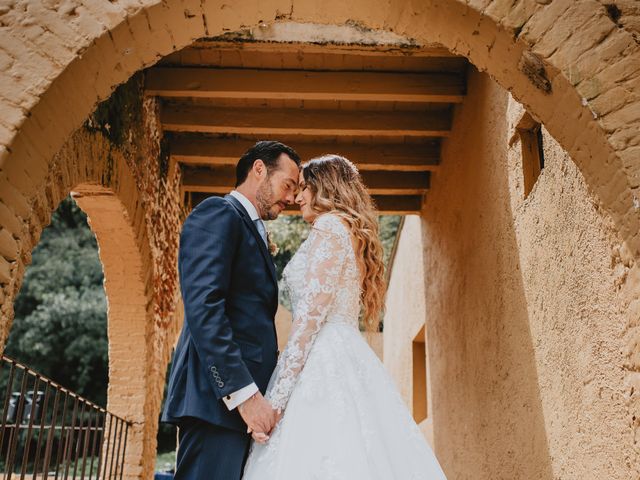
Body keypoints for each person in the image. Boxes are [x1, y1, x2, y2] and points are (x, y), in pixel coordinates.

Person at [242, 154, 448, 479]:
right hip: (344, 351)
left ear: (325, 188)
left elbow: (311, 315)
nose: (297, 197)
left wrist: (277, 399)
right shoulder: (345, 230)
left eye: (305, 188)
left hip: (322, 356)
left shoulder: (329, 227)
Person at [161, 141, 301, 480]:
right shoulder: (218, 213)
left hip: (238, 407)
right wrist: (244, 396)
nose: (293, 198)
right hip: (217, 403)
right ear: (258, 170)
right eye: (289, 184)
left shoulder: (251, 227)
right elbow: (205, 307)